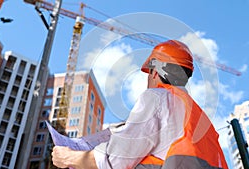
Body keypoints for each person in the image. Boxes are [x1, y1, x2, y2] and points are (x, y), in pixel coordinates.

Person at [52, 40, 229, 169]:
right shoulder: (198, 117)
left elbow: (114, 161)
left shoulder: (156, 98)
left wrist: (69, 157)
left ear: (154, 73)